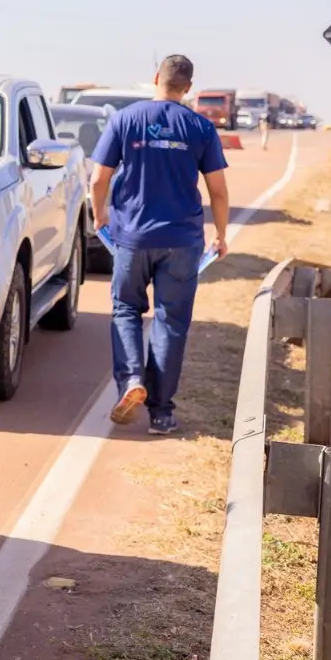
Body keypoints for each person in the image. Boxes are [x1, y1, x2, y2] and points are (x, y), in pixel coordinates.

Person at [90, 54, 230, 435]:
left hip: (132, 237)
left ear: (156, 78)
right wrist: (221, 234)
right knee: (171, 323)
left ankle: (133, 379)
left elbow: (98, 179)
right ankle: (162, 414)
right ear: (188, 88)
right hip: (183, 242)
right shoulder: (200, 127)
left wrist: (99, 215)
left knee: (125, 310)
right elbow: (217, 190)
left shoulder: (125, 119)